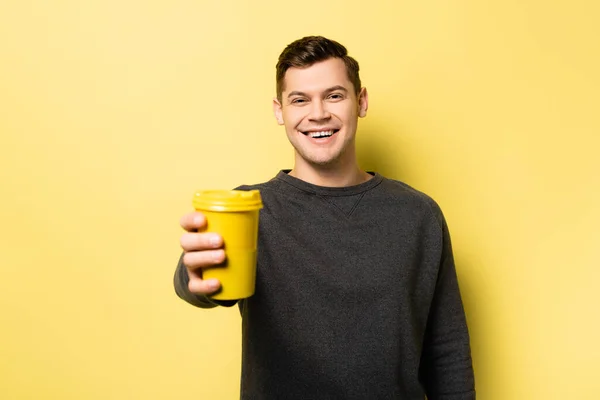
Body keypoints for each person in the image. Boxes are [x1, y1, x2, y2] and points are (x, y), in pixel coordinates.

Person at [174, 36, 475, 400]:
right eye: (299, 99)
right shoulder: (250, 209)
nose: (318, 113)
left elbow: (447, 352)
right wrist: (197, 278)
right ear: (279, 111)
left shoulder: (418, 215)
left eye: (334, 96)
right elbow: (202, 282)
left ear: (360, 101)